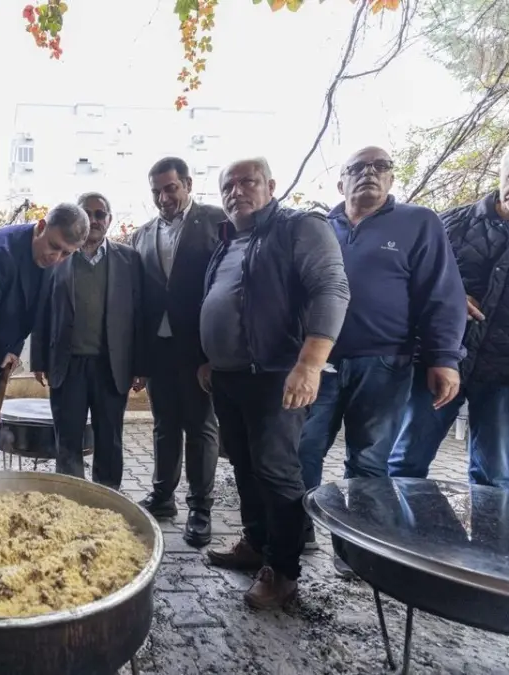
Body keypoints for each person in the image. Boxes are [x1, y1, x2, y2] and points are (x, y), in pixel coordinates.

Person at [297, 146, 466, 568]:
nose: (368, 174)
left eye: (380, 167)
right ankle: (295, 536)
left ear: (392, 178)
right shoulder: (319, 228)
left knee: (369, 461)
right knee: (302, 450)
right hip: (319, 364)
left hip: (384, 363)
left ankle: (357, 550)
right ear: (341, 183)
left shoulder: (417, 223)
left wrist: (444, 357)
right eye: (356, 168)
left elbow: (442, 293)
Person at [200, 158, 350, 609]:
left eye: (248, 181)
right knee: (244, 466)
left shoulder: (299, 227)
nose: (238, 190)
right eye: (229, 183)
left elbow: (331, 288)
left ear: (271, 185)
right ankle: (255, 544)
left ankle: (283, 571)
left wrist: (310, 363)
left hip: (276, 376)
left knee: (277, 471)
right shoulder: (228, 240)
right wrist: (211, 360)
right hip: (229, 377)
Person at [389, 145, 509, 489]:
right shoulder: (452, 223)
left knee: (493, 475)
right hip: (440, 361)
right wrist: (448, 293)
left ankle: (487, 544)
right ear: (501, 176)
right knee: (405, 461)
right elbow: (403, 278)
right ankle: (401, 540)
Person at [0, 204, 90, 470]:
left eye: (67, 253)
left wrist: (13, 348)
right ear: (41, 227)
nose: (56, 258)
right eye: (54, 247)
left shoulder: (52, 257)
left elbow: (30, 310)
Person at [129, 157, 223, 548]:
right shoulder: (142, 234)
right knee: (164, 426)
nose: (163, 197)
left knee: (201, 428)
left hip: (200, 348)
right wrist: (139, 359)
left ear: (187, 184)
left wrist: (215, 353)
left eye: (170, 188)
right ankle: (162, 497)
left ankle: (200, 507)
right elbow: (139, 299)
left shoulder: (218, 222)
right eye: (156, 191)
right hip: (159, 348)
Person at [31, 192, 146, 490]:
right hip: (67, 367)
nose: (94, 220)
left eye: (100, 214)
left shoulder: (130, 260)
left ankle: (107, 501)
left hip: (112, 366)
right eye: (88, 213)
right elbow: (43, 310)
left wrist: (140, 366)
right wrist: (40, 359)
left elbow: (140, 315)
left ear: (109, 219)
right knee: (68, 440)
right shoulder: (59, 255)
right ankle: (70, 501)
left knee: (110, 439)